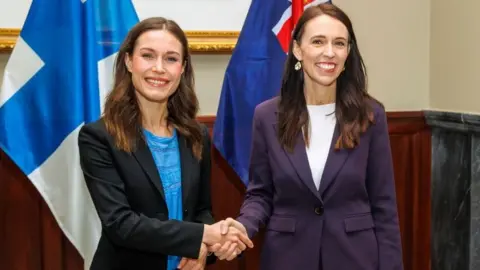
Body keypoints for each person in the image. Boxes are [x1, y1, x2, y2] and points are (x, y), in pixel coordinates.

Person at [215, 3, 404, 270]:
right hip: (287, 259)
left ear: (348, 52)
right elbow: (261, 194)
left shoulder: (370, 115)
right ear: (297, 49)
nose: (329, 52)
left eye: (339, 43)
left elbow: (384, 206)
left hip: (355, 259)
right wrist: (242, 226)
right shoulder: (266, 116)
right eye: (318, 41)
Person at [78, 17, 253, 270]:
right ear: (129, 61)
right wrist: (204, 236)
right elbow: (121, 224)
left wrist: (203, 250)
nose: (159, 68)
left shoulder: (196, 134)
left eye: (171, 59)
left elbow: (202, 210)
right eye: (148, 56)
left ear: (182, 68)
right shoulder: (98, 137)